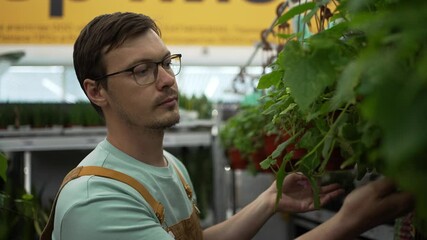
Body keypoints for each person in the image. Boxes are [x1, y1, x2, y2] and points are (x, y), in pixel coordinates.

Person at [41, 12, 414, 240]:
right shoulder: (97, 200)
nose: (168, 79)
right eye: (142, 70)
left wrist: (267, 201)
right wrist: (349, 221)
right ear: (96, 91)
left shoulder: (169, 166)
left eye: (167, 62)